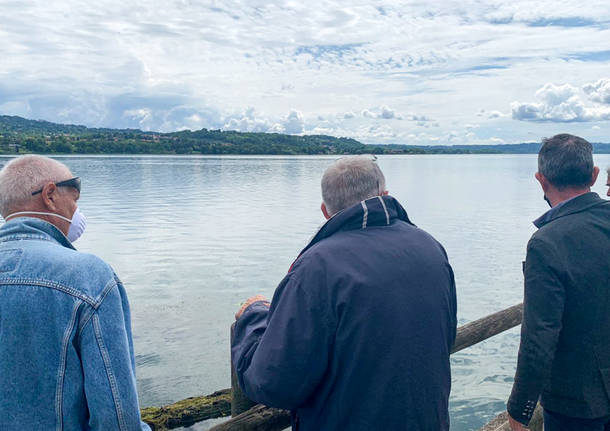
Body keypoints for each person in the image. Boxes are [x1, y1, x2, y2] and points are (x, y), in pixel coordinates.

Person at [232, 155, 457, 430]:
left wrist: (253, 318)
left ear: (325, 211)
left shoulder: (317, 267)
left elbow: (273, 383)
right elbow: (446, 335)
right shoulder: (430, 247)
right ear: (384, 195)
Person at [0, 155, 150, 431]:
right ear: (50, 195)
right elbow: (116, 421)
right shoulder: (88, 277)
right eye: (75, 199)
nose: (76, 210)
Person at [507, 134, 610, 431]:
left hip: (576, 403)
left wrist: (520, 409)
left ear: (541, 180)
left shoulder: (546, 242)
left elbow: (540, 335)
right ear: (593, 175)